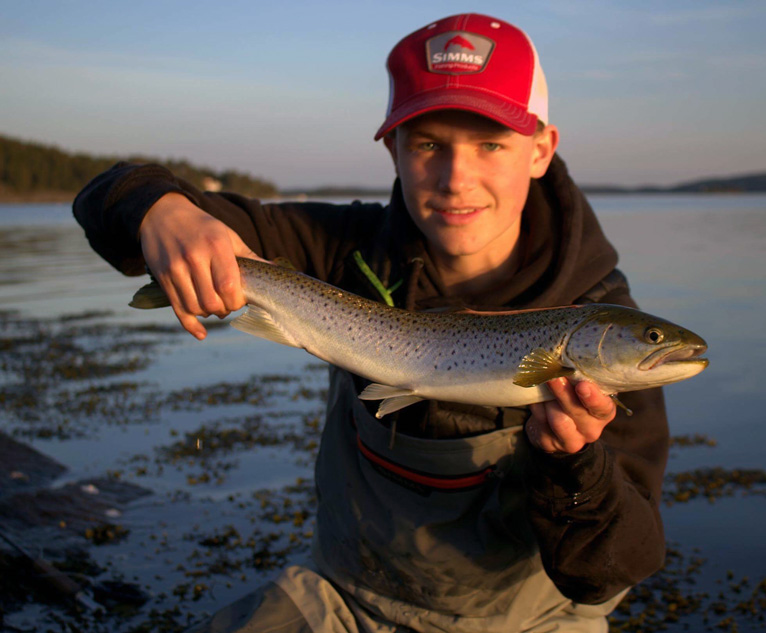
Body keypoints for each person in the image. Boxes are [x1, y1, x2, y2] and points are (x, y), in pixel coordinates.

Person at [74, 13, 669, 633]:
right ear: (393, 149)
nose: (456, 177)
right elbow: (103, 199)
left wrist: (576, 467)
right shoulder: (343, 246)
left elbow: (614, 567)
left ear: (542, 148)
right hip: (344, 596)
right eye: (429, 143)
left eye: (491, 143)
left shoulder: (602, 308)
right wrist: (162, 209)